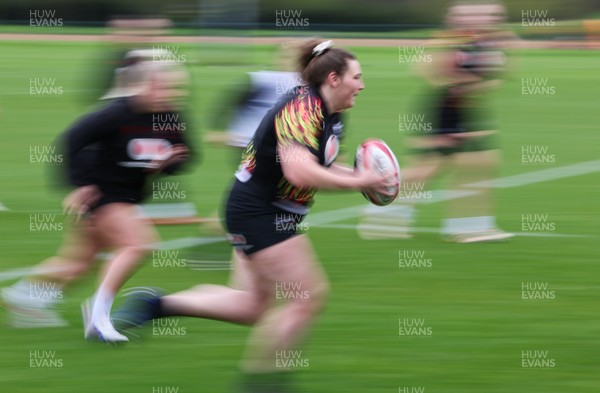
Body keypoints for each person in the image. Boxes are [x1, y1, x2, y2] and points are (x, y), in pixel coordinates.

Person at [113, 39, 394, 390]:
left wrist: (359, 178)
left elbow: (320, 163)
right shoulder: (302, 110)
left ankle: (154, 305)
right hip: (260, 212)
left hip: (265, 210)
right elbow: (298, 172)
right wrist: (360, 182)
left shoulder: (331, 114)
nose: (363, 84)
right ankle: (262, 381)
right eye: (357, 76)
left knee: (251, 307)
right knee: (306, 297)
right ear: (334, 78)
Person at [1, 57, 193, 342]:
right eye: (164, 88)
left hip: (129, 196)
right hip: (102, 194)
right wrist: (79, 184)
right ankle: (98, 316)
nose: (171, 95)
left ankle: (19, 296)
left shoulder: (171, 116)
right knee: (138, 244)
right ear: (145, 86)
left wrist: (167, 163)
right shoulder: (116, 113)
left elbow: (186, 153)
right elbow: (71, 140)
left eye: (175, 89)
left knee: (77, 264)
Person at [359, 1, 515, 242]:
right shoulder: (448, 41)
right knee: (428, 167)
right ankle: (382, 214)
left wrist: (491, 71)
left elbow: (498, 75)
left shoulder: (484, 41)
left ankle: (471, 226)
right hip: (444, 109)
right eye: (485, 14)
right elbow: (423, 71)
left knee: (481, 163)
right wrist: (464, 83)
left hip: (468, 111)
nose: (492, 18)